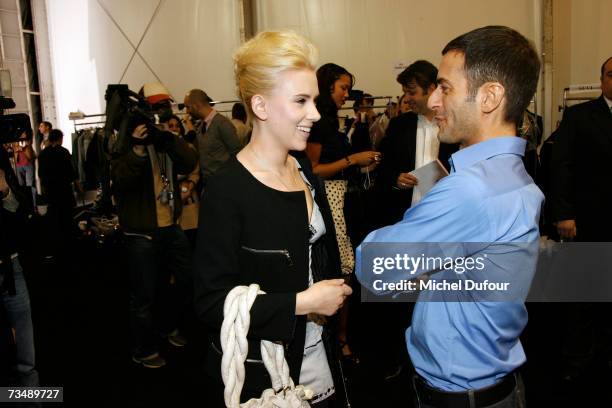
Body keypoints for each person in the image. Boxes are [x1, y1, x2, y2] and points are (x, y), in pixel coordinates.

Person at [356, 25, 542, 407]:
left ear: (490, 96)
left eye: (446, 88)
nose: (434, 102)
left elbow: (374, 267)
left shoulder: (472, 190)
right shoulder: (513, 175)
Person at [195, 30, 352, 407]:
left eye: (314, 100)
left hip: (319, 358)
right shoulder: (227, 189)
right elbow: (210, 302)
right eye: (301, 101)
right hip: (268, 375)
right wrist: (301, 302)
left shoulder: (302, 169)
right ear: (261, 107)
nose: (315, 114)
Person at [111, 97, 197, 368]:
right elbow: (122, 181)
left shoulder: (166, 144)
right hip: (142, 233)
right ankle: (144, 348)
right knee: (144, 295)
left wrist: (169, 138)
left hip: (171, 227)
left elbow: (189, 161)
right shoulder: (124, 145)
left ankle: (167, 325)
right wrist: (137, 148)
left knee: (184, 279)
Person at [550, 56, 612, 382]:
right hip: (589, 220)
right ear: (602, 79)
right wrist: (563, 213)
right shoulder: (579, 116)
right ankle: (577, 360)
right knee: (583, 294)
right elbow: (561, 167)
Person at [374, 60, 458, 229]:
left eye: (412, 93)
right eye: (405, 92)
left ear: (432, 89)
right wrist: (396, 178)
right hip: (405, 217)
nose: (407, 99)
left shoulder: (455, 125)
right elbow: (383, 166)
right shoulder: (398, 125)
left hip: (446, 215)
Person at [0, 145, 39, 387]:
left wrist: (5, 193)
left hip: (10, 264)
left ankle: (32, 400)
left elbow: (22, 212)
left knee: (26, 357)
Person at [183, 89, 241, 187]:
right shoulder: (202, 125)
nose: (187, 112)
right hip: (209, 184)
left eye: (188, 107)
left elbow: (237, 154)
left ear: (196, 105)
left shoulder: (222, 124)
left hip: (224, 184)